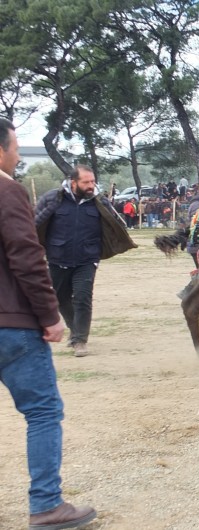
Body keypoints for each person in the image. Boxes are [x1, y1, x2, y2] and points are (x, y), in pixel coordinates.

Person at [0, 118, 97, 529]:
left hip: (83, 260)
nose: (17, 155)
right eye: (15, 146)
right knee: (42, 412)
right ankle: (46, 505)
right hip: (12, 324)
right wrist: (49, 315)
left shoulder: (94, 204)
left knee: (83, 297)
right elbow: (26, 256)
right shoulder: (8, 190)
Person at [34, 165, 136, 356]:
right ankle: (75, 330)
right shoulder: (52, 198)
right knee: (60, 298)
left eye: (93, 181)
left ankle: (80, 340)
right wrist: (49, 209)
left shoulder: (99, 201)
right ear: (73, 183)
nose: (91, 185)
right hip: (57, 257)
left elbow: (115, 225)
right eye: (86, 182)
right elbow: (33, 224)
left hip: (87, 259)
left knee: (82, 297)